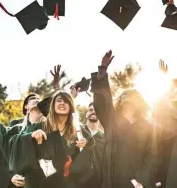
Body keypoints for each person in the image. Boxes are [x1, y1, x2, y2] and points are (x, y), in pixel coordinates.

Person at [90, 50, 155, 188]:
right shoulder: (112, 121)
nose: (127, 97)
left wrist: (141, 180)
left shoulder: (147, 127)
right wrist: (102, 71)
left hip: (135, 183)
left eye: (132, 96)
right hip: (112, 180)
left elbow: (151, 156)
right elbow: (102, 101)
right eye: (124, 95)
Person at [8, 91, 94, 188]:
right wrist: (30, 136)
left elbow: (88, 160)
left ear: (71, 106)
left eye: (66, 101)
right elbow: (14, 142)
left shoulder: (80, 130)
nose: (62, 103)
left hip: (67, 183)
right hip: (40, 183)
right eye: (59, 101)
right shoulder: (39, 127)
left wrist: (84, 147)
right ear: (53, 105)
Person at [82, 103, 105, 188]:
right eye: (91, 110)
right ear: (86, 114)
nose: (94, 112)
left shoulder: (105, 138)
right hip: (76, 182)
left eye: (97, 110)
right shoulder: (76, 132)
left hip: (97, 183)